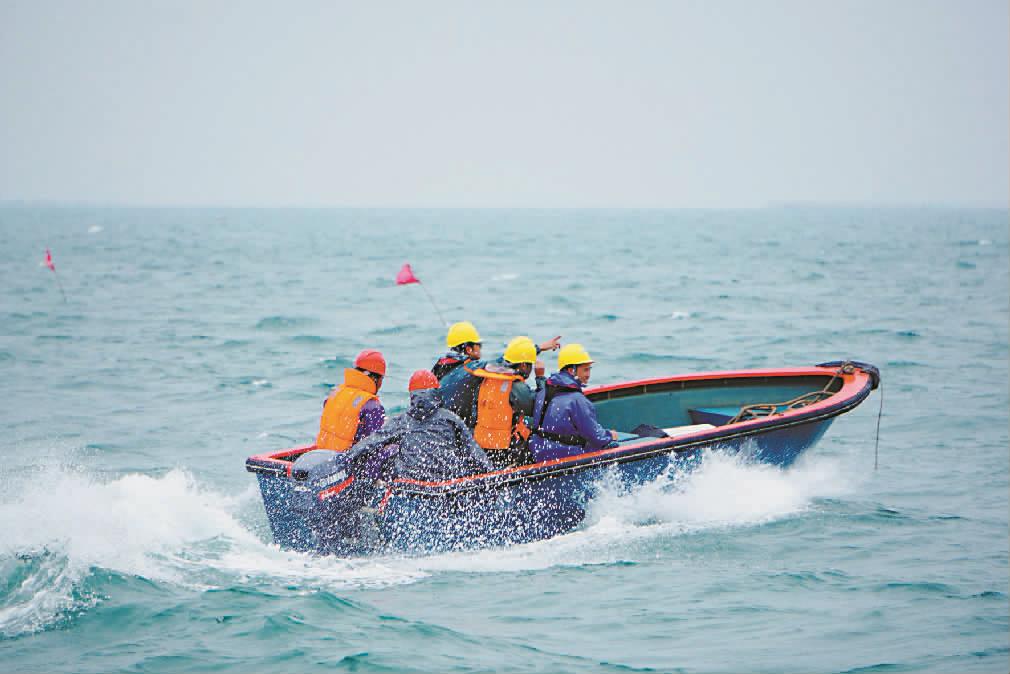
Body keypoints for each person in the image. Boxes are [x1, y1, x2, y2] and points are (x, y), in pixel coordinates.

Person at [343, 369, 493, 482]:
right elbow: (475, 453)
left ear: (411, 394)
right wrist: (490, 474)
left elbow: (371, 442)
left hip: (412, 482)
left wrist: (345, 459)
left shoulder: (402, 421)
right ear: (436, 391)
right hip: (446, 481)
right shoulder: (451, 418)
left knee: (391, 456)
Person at [437, 320, 561, 424]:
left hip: (446, 423)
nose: (480, 348)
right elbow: (501, 363)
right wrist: (539, 370)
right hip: (461, 429)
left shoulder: (441, 367)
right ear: (469, 349)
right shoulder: (471, 369)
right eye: (479, 345)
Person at [462, 336, 547, 468]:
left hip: (482, 445)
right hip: (506, 449)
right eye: (530, 365)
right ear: (524, 365)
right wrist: (540, 378)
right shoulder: (515, 385)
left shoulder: (486, 379)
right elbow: (539, 408)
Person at [528, 343, 619, 462]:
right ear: (572, 370)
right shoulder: (577, 400)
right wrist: (610, 435)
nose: (588, 375)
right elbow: (597, 437)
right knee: (612, 444)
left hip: (538, 453)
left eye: (589, 369)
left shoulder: (542, 391)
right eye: (585, 370)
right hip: (566, 456)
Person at [315, 349, 387, 451]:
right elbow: (376, 446)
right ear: (376, 379)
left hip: (322, 452)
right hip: (346, 459)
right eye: (382, 379)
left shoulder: (335, 393)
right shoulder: (372, 406)